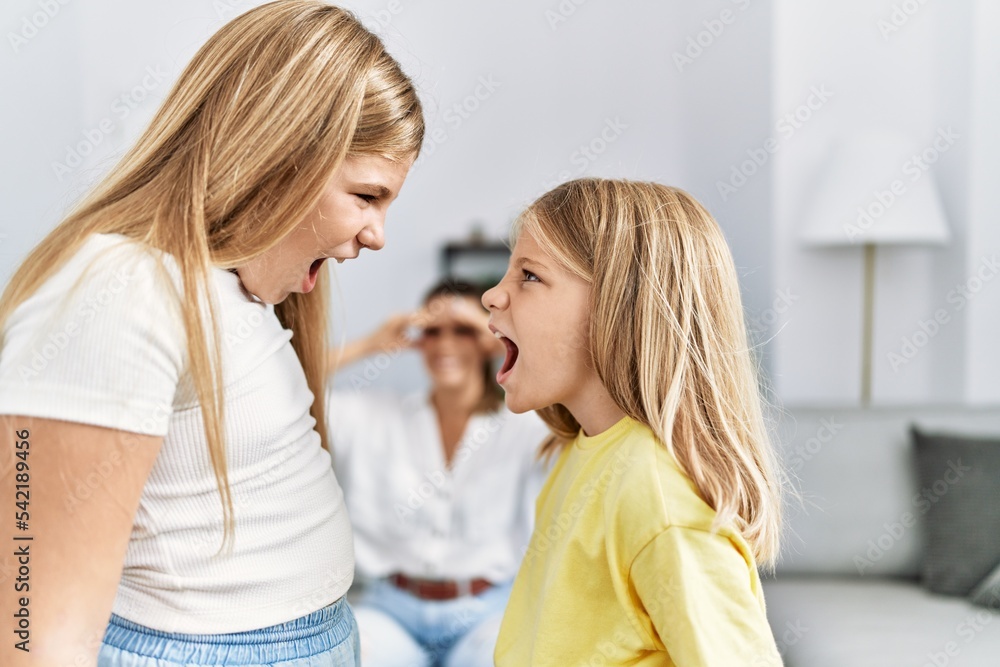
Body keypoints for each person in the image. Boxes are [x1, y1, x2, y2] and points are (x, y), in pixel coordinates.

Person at [0, 2, 423, 665]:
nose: (376, 235)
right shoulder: (122, 288)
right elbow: (33, 629)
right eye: (367, 196)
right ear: (282, 158)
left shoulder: (227, 290)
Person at [482, 178, 787, 666]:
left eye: (529, 276)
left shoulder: (658, 497)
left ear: (618, 306)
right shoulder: (579, 451)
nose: (493, 296)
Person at [326, 280, 550, 667]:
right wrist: (370, 345)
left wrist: (499, 338)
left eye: (462, 330)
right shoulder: (374, 417)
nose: (445, 344)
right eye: (433, 331)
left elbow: (578, 400)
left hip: (488, 613)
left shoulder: (527, 426)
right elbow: (291, 387)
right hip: (389, 610)